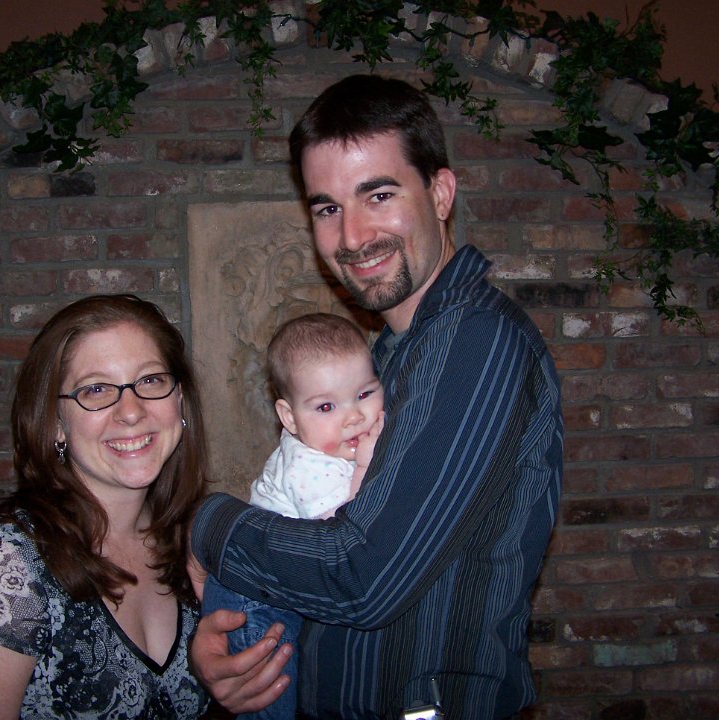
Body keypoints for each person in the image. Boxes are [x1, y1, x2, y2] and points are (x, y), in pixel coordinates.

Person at [189, 74, 564, 719]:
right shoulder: (389, 356)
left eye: (379, 195)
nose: (353, 237)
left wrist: (207, 525)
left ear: (440, 193)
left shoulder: (474, 341)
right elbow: (325, 543)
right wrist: (245, 652)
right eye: (327, 208)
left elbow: (361, 578)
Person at [0, 294, 210, 720]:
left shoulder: (193, 544)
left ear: (180, 400)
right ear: (56, 423)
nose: (131, 412)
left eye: (151, 380)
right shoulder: (4, 565)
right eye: (95, 389)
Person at [200, 312, 385, 719]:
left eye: (364, 393)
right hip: (252, 600)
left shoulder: (330, 445)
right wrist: (364, 466)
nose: (353, 416)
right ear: (289, 418)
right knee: (270, 699)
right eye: (326, 406)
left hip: (275, 586)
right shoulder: (307, 465)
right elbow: (342, 538)